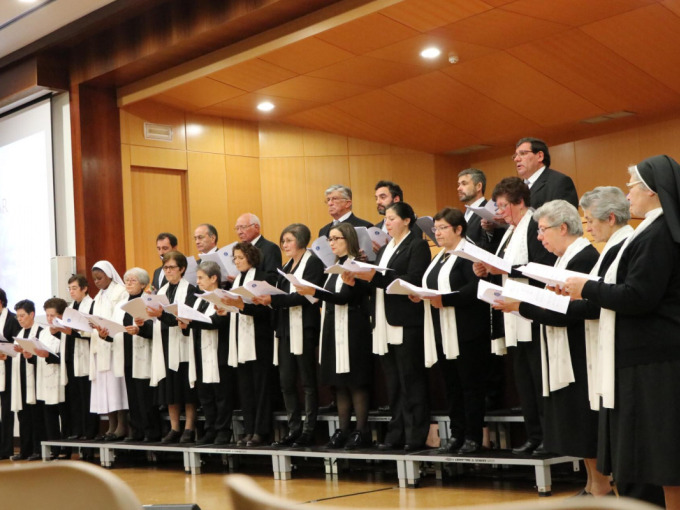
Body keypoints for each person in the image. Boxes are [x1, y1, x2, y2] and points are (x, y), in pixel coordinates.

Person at [564, 156, 680, 509]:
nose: (627, 196)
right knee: (649, 452)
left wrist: (587, 288)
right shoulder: (652, 229)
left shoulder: (659, 234)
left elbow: (638, 296)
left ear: (652, 192)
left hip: (655, 360)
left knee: (664, 454)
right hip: (642, 359)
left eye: (632, 187)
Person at [494, 200, 606, 495]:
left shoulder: (583, 257)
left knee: (583, 418)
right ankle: (591, 483)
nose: (540, 237)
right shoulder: (565, 258)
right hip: (565, 348)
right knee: (574, 418)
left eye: (543, 230)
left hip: (580, 351)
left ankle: (601, 485)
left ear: (563, 227)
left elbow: (572, 309)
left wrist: (521, 306)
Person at [473, 177, 556, 456]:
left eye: (503, 206)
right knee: (524, 380)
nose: (500, 213)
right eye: (497, 207)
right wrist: (488, 270)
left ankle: (548, 436)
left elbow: (542, 266)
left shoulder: (534, 225)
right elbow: (504, 266)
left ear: (520, 202)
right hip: (514, 313)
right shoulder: (509, 231)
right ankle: (534, 435)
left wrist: (504, 268)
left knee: (539, 378)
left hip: (533, 311)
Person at [354, 202, 431, 451]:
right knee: (393, 382)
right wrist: (357, 277)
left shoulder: (417, 245)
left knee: (411, 379)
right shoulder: (386, 248)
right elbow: (378, 282)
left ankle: (415, 435)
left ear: (407, 220)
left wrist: (374, 276)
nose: (387, 223)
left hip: (405, 320)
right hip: (383, 320)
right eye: (385, 219)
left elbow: (413, 279)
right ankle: (396, 432)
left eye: (392, 218)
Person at [413, 208, 489, 454]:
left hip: (467, 330)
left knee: (470, 386)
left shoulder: (469, 253)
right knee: (452, 386)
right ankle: (457, 434)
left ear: (459, 229)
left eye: (443, 228)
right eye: (435, 228)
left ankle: (473, 436)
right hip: (443, 331)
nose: (437, 233)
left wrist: (446, 300)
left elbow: (477, 287)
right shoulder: (440, 256)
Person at [294, 223, 373, 449]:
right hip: (333, 327)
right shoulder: (334, 266)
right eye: (330, 239)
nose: (332, 243)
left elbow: (346, 297)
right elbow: (333, 296)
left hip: (353, 329)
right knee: (339, 383)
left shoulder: (359, 265)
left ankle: (361, 430)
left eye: (337, 238)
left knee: (355, 381)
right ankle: (343, 429)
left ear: (348, 240)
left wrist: (315, 292)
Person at [253, 224, 325, 448]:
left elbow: (306, 297)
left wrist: (273, 300)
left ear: (301, 241)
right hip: (285, 328)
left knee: (307, 381)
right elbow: (284, 294)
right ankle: (294, 428)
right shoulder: (286, 265)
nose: (284, 245)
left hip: (304, 326)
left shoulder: (313, 263)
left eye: (289, 241)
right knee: (286, 381)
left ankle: (308, 429)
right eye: (283, 241)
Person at [219, 242, 275, 446]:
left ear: (251, 257)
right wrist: (226, 309)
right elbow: (237, 308)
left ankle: (261, 431)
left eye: (240, 257)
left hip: (259, 340)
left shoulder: (263, 278)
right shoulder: (236, 281)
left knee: (260, 388)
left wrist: (240, 305)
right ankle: (249, 429)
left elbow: (266, 311)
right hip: (240, 341)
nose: (237, 261)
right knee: (245, 388)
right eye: (234, 258)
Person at [182, 261, 236, 445]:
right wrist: (185, 324)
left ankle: (223, 430)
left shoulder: (222, 297)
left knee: (221, 395)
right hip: (200, 353)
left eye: (201, 278)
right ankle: (210, 429)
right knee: (205, 395)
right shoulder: (198, 299)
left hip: (218, 352)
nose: (198, 282)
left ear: (214, 278)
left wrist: (192, 322)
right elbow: (195, 325)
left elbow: (218, 322)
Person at [148, 251, 199, 444]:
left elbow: (184, 317)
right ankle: (174, 427)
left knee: (187, 388)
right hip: (165, 342)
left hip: (184, 342)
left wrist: (161, 315)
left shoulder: (191, 291)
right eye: (165, 268)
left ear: (182, 269)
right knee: (170, 389)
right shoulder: (160, 292)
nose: (167, 271)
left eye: (171, 267)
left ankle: (189, 428)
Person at [110, 268, 160, 442]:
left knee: (145, 394)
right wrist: (105, 334)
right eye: (127, 280)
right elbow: (116, 328)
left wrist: (140, 330)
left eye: (133, 280)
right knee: (132, 394)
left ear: (143, 284)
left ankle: (150, 431)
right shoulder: (120, 304)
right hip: (126, 353)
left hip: (144, 353)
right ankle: (136, 430)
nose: (128, 283)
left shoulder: (149, 302)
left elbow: (155, 329)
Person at [89, 261, 130, 441]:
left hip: (115, 345)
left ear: (109, 275)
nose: (97, 282)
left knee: (117, 387)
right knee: (106, 388)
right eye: (95, 279)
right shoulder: (98, 296)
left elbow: (120, 317)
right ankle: (111, 425)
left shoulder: (120, 292)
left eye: (100, 278)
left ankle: (122, 424)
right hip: (102, 344)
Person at [63, 274, 99, 441]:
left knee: (87, 396)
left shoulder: (91, 305)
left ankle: (90, 431)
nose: (71, 292)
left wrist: (74, 332)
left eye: (74, 288)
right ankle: (78, 429)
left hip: (86, 355)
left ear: (84, 288)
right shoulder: (70, 307)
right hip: (73, 355)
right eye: (69, 288)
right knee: (75, 396)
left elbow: (93, 331)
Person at [11, 299, 44, 461]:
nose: (20, 319)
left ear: (32, 314)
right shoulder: (19, 334)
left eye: (22, 316)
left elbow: (45, 356)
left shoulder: (40, 332)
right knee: (23, 416)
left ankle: (37, 449)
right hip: (21, 378)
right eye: (17, 316)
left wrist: (30, 355)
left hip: (37, 380)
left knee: (36, 416)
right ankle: (25, 449)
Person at [39, 298, 70, 458]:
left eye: (53, 315)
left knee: (64, 415)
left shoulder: (65, 333)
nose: (50, 319)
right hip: (46, 379)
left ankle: (66, 448)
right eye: (48, 315)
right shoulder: (43, 332)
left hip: (60, 379)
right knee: (49, 415)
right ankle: (54, 448)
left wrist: (49, 356)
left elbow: (66, 357)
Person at [513, 137, 578, 209]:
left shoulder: (559, 182)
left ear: (540, 156)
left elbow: (567, 217)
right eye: (515, 155)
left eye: (523, 153)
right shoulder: (516, 189)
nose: (516, 159)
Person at [458, 168, 504, 253]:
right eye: (459, 184)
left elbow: (492, 245)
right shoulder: (463, 214)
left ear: (478, 186)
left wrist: (489, 231)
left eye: (464, 184)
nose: (459, 188)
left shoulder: (490, 210)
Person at [0, 288, 21, 459]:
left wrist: (7, 353)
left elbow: (19, 344)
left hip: (8, 368)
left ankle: (6, 449)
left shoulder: (13, 319)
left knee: (6, 410)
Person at [234, 213, 282, 284]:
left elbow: (273, 278)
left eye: (243, 227)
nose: (239, 232)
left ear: (256, 227)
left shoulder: (270, 248)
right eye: (237, 228)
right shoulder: (239, 250)